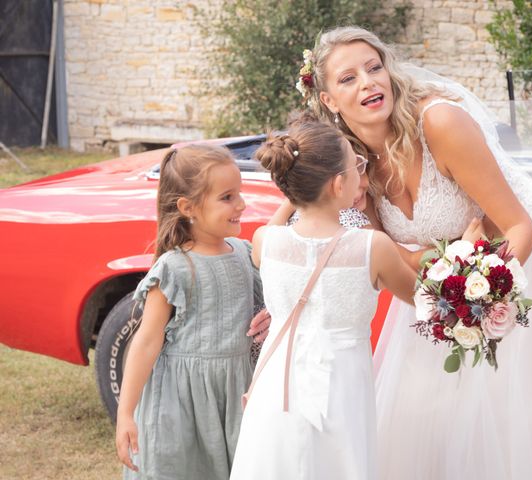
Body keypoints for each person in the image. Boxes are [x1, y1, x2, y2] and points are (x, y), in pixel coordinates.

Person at [303, 25, 532, 479]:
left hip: (522, 267)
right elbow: (385, 257)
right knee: (430, 415)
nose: (368, 83)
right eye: (348, 79)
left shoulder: (439, 123)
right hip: (448, 287)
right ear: (327, 100)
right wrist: (448, 282)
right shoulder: (352, 163)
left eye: (374, 68)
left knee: (516, 417)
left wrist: (477, 303)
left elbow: (521, 226)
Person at [230, 120, 416, 480]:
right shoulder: (372, 247)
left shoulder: (265, 242)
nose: (361, 175)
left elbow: (276, 228)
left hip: (278, 385)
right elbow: (419, 295)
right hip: (340, 383)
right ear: (337, 184)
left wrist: (296, 193)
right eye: (356, 166)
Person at [115, 144, 263, 480]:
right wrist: (126, 413)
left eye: (239, 193)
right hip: (183, 403)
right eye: (227, 197)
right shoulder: (176, 269)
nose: (241, 204)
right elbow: (146, 342)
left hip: (236, 391)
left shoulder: (244, 253)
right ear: (188, 207)